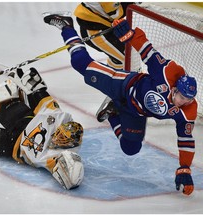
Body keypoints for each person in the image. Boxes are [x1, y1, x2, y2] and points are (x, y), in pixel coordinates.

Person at [44, 14, 198, 195]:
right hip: (122, 85)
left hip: (136, 112)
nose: (184, 102)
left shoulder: (188, 111)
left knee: (130, 148)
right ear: (175, 89)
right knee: (80, 63)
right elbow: (148, 51)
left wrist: (185, 167)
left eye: (188, 99)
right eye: (182, 97)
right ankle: (66, 26)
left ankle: (112, 112)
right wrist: (131, 35)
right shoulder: (165, 73)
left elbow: (186, 139)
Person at [74, 2, 135, 69]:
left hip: (103, 24)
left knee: (124, 56)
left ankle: (111, 75)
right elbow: (115, 15)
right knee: (126, 58)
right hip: (95, 31)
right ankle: (112, 77)